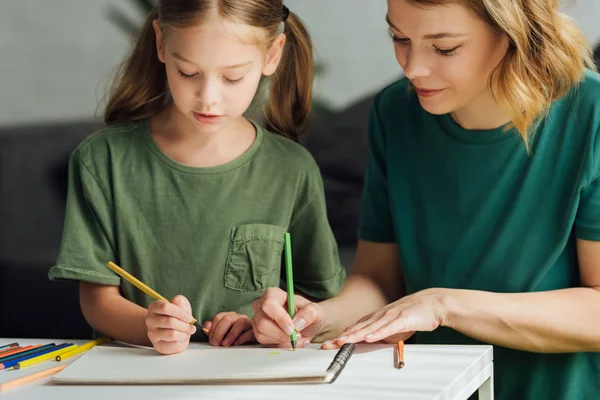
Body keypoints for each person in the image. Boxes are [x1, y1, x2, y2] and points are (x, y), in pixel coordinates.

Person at [251, 0, 600, 398]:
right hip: (434, 388)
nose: (412, 67)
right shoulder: (394, 112)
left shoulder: (591, 114)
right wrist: (318, 317)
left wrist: (444, 305)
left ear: (511, 35)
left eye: (445, 47)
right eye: (400, 38)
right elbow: (380, 279)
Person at [48, 0, 345, 355]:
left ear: (272, 55)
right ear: (161, 43)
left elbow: (319, 298)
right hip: (139, 370)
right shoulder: (102, 160)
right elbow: (97, 300)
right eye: (188, 73)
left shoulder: (292, 169)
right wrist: (149, 327)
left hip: (251, 374)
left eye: (232, 77)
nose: (208, 99)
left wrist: (269, 323)